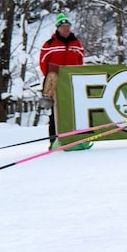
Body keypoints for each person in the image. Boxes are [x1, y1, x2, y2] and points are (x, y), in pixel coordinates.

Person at [38, 13, 91, 150]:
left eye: (68, 26)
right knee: (55, 112)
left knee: (75, 109)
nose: (66, 29)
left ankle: (76, 137)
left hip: (72, 81)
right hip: (54, 81)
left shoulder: (77, 43)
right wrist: (51, 80)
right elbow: (43, 63)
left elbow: (80, 62)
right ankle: (53, 140)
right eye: (63, 26)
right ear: (58, 28)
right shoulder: (49, 44)